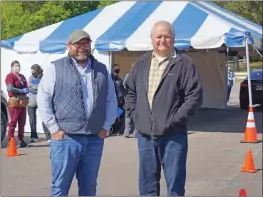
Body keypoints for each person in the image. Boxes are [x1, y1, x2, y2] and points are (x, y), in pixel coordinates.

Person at [125, 21, 203, 196]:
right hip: (145, 135)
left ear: (173, 39)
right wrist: (136, 116)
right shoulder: (141, 63)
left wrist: (175, 121)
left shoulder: (184, 63)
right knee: (147, 186)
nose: (162, 40)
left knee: (175, 185)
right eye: (158, 36)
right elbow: (130, 92)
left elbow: (195, 97)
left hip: (173, 135)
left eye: (166, 36)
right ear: (152, 39)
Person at [37, 29, 118, 196]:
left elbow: (111, 100)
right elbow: (43, 98)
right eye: (78, 44)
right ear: (69, 46)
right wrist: (53, 128)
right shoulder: (55, 68)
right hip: (66, 138)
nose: (82, 47)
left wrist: (106, 126)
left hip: (94, 138)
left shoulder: (102, 70)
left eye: (86, 43)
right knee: (60, 187)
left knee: (89, 188)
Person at [5, 60, 29, 148]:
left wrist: (27, 89)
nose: (17, 67)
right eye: (15, 66)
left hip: (23, 101)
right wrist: (21, 90)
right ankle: (10, 140)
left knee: (22, 122)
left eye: (18, 65)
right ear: (11, 67)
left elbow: (26, 86)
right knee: (13, 122)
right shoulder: (9, 76)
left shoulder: (22, 76)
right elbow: (10, 88)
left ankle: (21, 140)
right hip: (14, 101)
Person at [27, 64, 51, 143]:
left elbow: (44, 87)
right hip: (31, 102)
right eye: (31, 70)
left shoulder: (44, 77)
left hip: (42, 101)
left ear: (37, 70)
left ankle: (48, 137)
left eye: (33, 70)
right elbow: (29, 87)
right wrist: (37, 88)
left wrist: (35, 88)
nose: (32, 72)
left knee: (45, 118)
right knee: (32, 120)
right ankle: (34, 137)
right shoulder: (31, 77)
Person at [123, 63, 138, 138]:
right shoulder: (139, 75)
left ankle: (127, 132)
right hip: (134, 98)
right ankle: (135, 132)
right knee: (136, 115)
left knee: (128, 115)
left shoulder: (127, 75)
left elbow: (124, 86)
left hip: (129, 98)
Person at [111, 64, 125, 135]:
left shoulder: (119, 78)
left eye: (118, 69)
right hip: (115, 100)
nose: (118, 71)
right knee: (116, 116)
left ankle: (119, 130)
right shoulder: (111, 78)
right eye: (116, 69)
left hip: (121, 100)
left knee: (121, 115)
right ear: (113, 69)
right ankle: (114, 131)